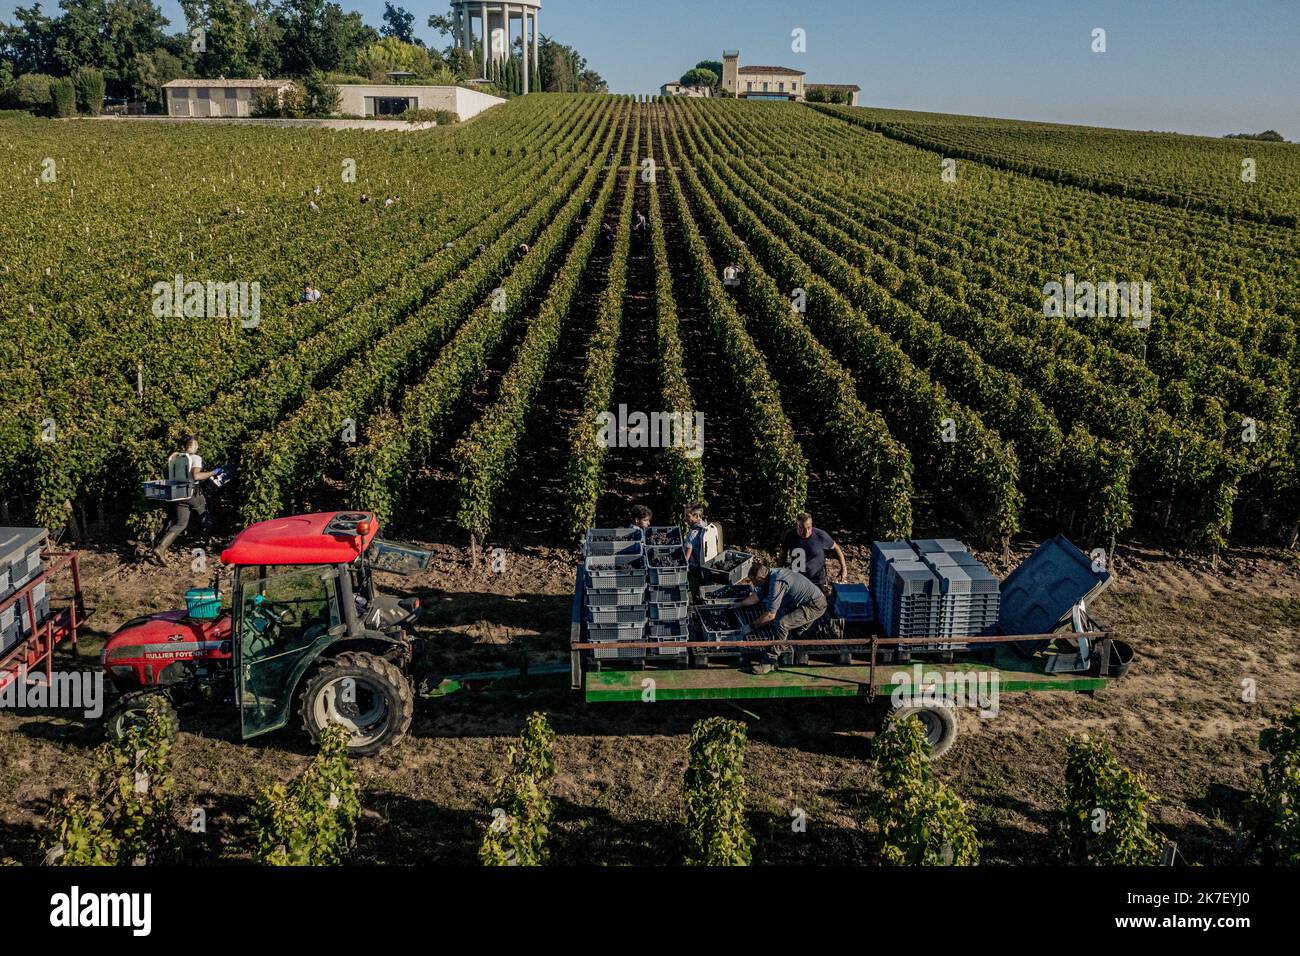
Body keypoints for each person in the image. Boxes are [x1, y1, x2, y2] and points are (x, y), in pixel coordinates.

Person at [151, 436, 216, 565]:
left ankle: (160, 548)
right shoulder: (196, 458)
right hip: (192, 493)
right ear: (194, 446)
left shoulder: (176, 458)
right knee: (205, 515)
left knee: (181, 523)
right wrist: (213, 472)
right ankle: (209, 545)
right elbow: (196, 475)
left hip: (178, 493)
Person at [740, 562, 827, 641]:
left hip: (814, 605)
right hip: (801, 601)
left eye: (753, 581)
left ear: (760, 578)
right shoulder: (769, 575)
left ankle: (775, 653)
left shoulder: (776, 582)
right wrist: (738, 604)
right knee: (787, 623)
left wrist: (751, 626)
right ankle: (799, 635)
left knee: (783, 624)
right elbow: (757, 597)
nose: (752, 584)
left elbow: (770, 615)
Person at [779, 512, 846, 591]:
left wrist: (844, 568)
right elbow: (783, 553)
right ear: (797, 525)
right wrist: (780, 570)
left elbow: (836, 547)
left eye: (809, 527)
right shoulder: (790, 535)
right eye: (802, 528)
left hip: (817, 579)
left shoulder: (820, 535)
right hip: (797, 578)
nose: (806, 531)